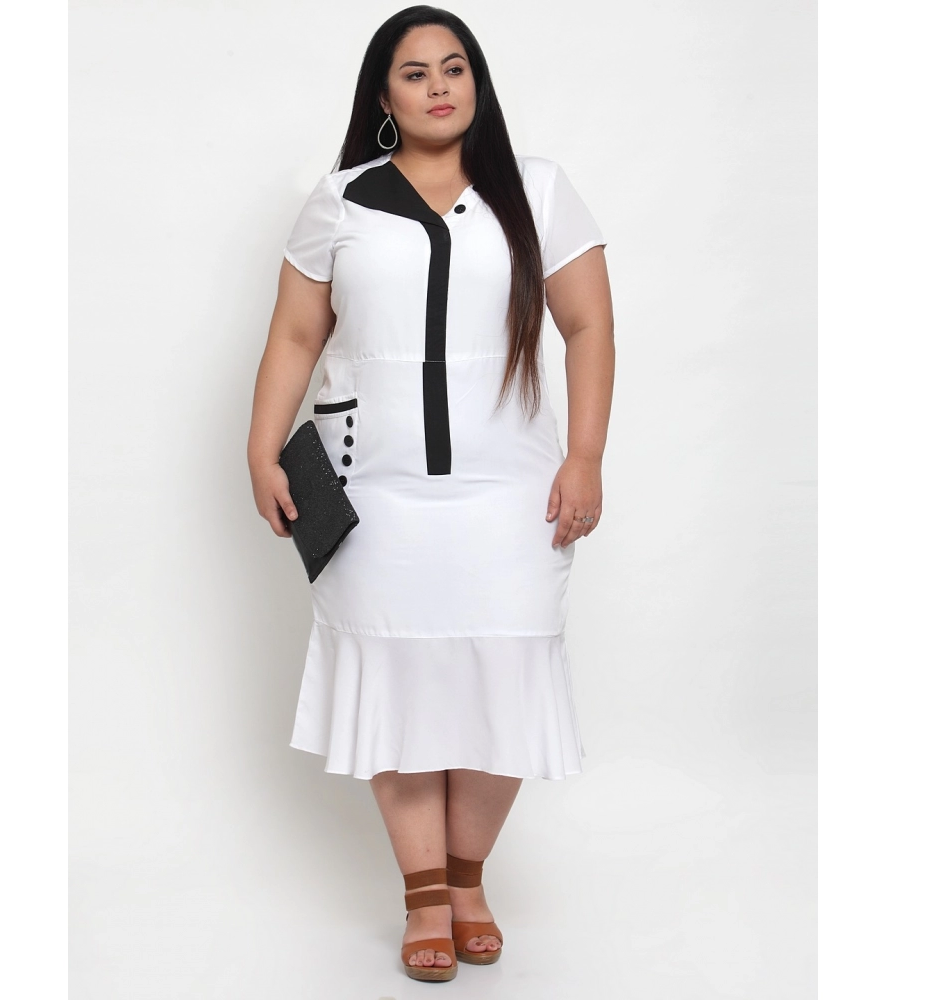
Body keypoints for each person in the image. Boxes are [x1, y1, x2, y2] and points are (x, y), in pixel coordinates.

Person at [247, 5, 614, 983]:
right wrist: (260, 447)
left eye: (455, 68)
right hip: (372, 491)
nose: (439, 86)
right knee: (396, 680)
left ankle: (467, 878)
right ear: (384, 95)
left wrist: (584, 455)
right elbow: (296, 335)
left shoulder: (538, 190)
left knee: (506, 673)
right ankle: (423, 895)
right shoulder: (341, 200)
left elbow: (588, 326)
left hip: (511, 490)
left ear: (476, 84)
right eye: (414, 73)